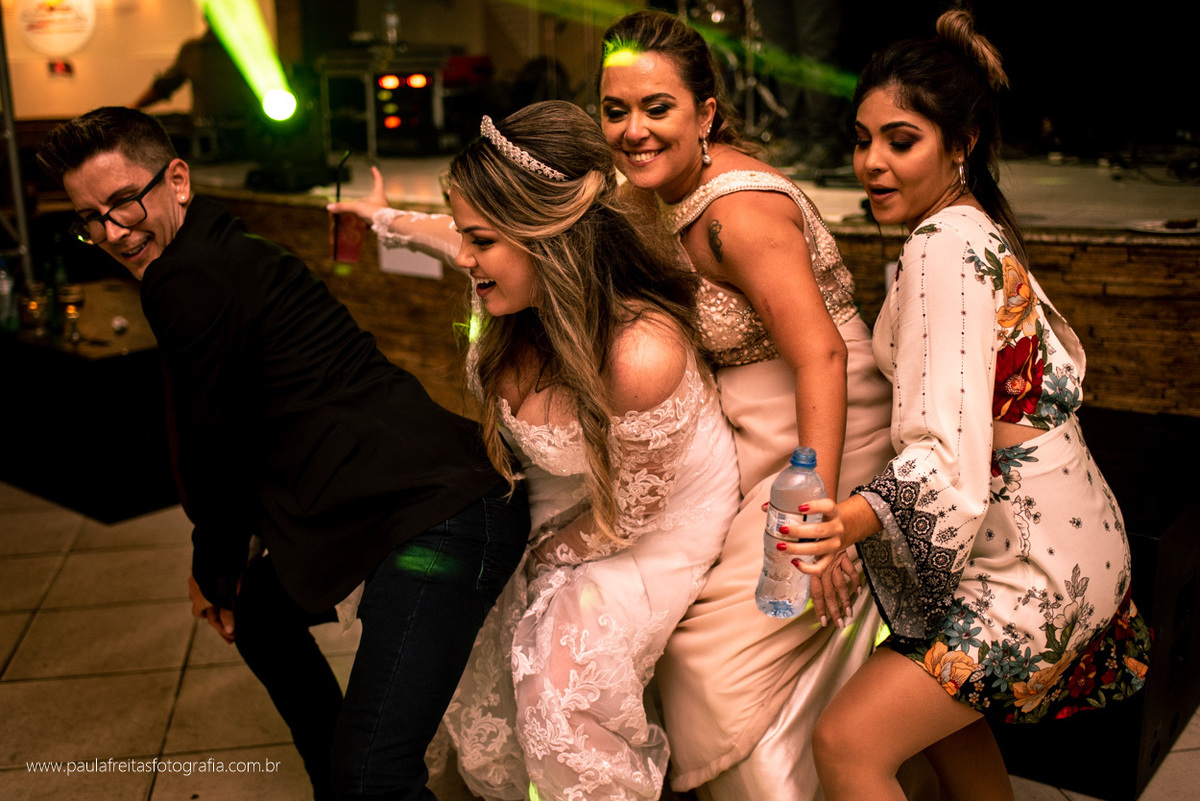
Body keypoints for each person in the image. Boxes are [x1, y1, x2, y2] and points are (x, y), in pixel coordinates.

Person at [36, 107, 530, 801]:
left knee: (374, 774)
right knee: (264, 618)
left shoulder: (185, 278)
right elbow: (236, 430)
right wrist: (228, 572)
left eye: (124, 201)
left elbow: (211, 445)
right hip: (394, 496)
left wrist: (213, 573)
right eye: (90, 218)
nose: (113, 231)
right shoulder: (220, 246)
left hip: (440, 518)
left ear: (177, 180)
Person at [784, 11, 1153, 799]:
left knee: (847, 742)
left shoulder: (943, 245)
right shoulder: (966, 225)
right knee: (946, 719)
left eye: (901, 141)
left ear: (962, 143)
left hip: (1032, 562)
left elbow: (946, 456)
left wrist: (847, 521)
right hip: (1072, 533)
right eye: (862, 140)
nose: (872, 162)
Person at [333, 100, 741, 801]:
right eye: (465, 234)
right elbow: (441, 234)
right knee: (458, 601)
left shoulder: (640, 352)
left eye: (481, 240)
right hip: (567, 485)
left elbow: (631, 515)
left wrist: (536, 556)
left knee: (558, 679)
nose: (465, 256)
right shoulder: (504, 280)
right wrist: (382, 218)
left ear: (547, 238)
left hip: (658, 513)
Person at [595, 11, 895, 799]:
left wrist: (817, 515)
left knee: (704, 655)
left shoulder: (739, 214)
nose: (633, 130)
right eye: (616, 110)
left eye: (656, 108)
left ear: (705, 113)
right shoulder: (648, 195)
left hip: (824, 430)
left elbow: (822, 356)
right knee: (667, 625)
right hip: (750, 436)